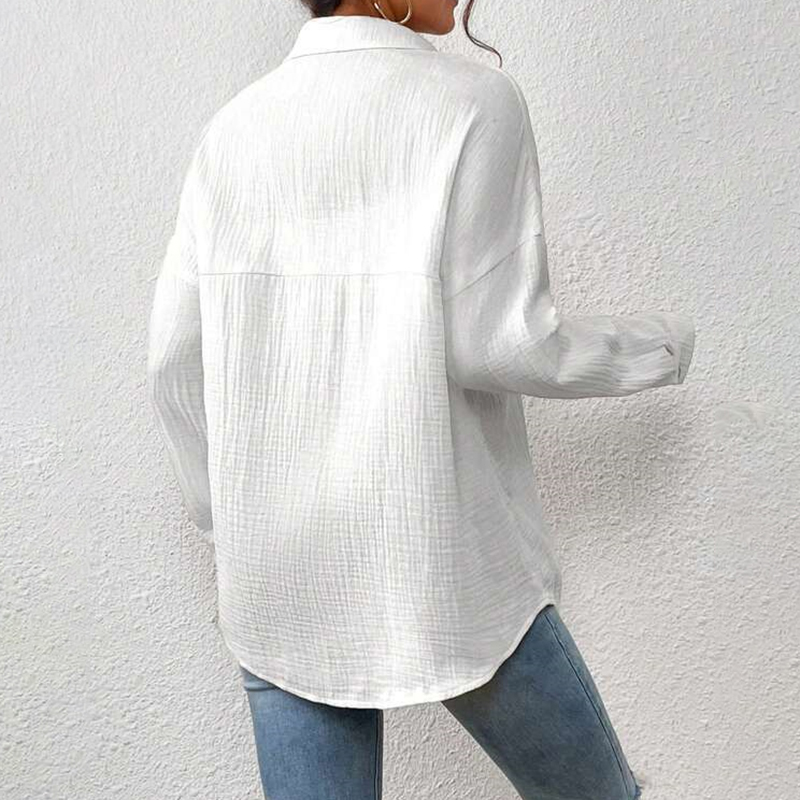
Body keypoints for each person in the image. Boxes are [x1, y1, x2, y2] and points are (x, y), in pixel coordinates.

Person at [146, 0, 696, 797]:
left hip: (278, 576)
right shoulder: (472, 103)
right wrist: (660, 347)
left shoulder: (232, 129)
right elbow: (500, 341)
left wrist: (228, 520)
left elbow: (173, 359)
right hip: (440, 554)